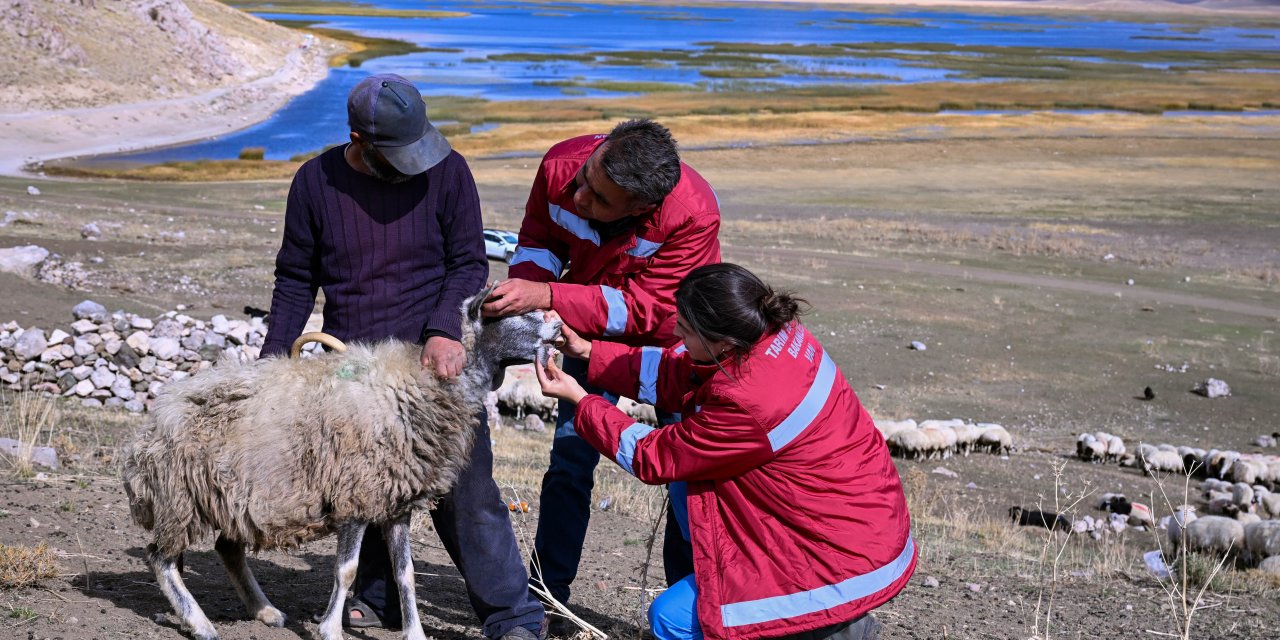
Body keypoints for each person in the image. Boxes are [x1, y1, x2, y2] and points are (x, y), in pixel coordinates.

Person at [260, 73, 545, 640]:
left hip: (430, 360)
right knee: (364, 485)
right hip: (353, 365)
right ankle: (377, 597)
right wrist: (272, 361)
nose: (414, 161)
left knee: (466, 488)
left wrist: (444, 329)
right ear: (358, 139)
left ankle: (513, 616)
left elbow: (468, 263)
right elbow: (295, 278)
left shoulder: (448, 170)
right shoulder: (315, 182)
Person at [533, 263, 915, 640]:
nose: (677, 340)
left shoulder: (750, 400)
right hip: (846, 521)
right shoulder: (765, 336)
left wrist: (582, 401)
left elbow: (655, 455)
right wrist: (588, 351)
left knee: (671, 620)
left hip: (836, 559)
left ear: (722, 342)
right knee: (688, 486)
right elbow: (677, 371)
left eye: (685, 332)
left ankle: (832, 629)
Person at [480, 119, 721, 613]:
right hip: (578, 332)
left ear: (642, 208)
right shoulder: (559, 166)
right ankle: (547, 598)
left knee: (687, 474)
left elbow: (651, 311)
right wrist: (531, 297)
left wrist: (551, 295)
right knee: (569, 462)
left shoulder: (692, 214)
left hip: (667, 350)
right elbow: (538, 241)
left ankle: (691, 606)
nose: (581, 196)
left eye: (599, 197)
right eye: (586, 176)